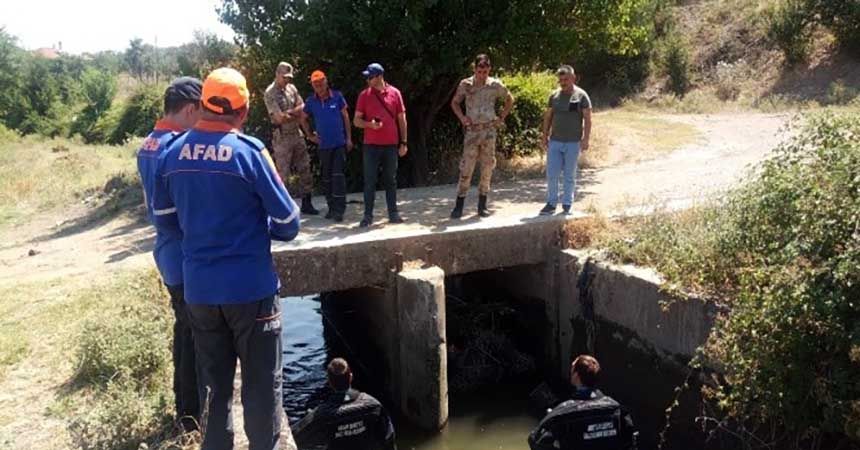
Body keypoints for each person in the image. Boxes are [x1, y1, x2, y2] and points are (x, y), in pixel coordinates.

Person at [152, 67, 300, 450]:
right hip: (252, 290)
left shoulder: (171, 153)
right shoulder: (249, 153)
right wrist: (252, 229)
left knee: (214, 388)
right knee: (261, 386)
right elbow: (287, 222)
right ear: (245, 110)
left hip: (199, 290)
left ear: (201, 106)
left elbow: (165, 222)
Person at [135, 76, 202, 431]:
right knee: (193, 339)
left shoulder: (149, 142)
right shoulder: (173, 148)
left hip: (166, 252)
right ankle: (190, 419)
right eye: (202, 112)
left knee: (184, 331)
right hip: (182, 253)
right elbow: (176, 209)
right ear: (190, 109)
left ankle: (185, 411)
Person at [449, 54, 515, 219]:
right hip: (472, 131)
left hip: (489, 131)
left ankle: (482, 205)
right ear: (475, 69)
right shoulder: (466, 84)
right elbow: (455, 102)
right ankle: (459, 205)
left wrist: (501, 118)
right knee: (467, 168)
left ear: (489, 70)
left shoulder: (494, 84)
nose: (482, 75)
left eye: (485, 71)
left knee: (487, 167)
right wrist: (462, 118)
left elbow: (509, 99)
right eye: (479, 71)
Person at [528, 355, 637, 450]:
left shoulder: (563, 413)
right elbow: (630, 443)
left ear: (576, 376)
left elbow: (535, 440)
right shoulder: (617, 409)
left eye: (572, 368)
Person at [293, 358, 397, 450]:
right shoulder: (373, 405)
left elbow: (295, 436)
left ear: (329, 382)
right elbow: (389, 436)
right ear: (351, 377)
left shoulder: (321, 414)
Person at [353, 63, 407, 228]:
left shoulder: (395, 93)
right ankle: (367, 216)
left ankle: (393, 213)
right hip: (371, 146)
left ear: (379, 77)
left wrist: (403, 142)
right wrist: (370, 125)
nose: (367, 80)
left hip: (390, 145)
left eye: (370, 77)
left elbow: (402, 119)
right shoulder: (364, 95)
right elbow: (356, 121)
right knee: (370, 181)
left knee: (390, 180)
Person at [264, 62, 319, 215]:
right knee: (283, 174)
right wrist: (294, 112)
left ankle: (307, 203)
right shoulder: (270, 93)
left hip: (297, 133)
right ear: (277, 74)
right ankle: (283, 208)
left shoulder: (292, 89)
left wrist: (290, 113)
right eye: (284, 77)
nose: (287, 80)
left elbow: (303, 107)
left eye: (289, 77)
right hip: (282, 137)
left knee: (305, 168)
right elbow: (279, 118)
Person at [299, 70, 353, 222]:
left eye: (321, 82)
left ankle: (339, 210)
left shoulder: (337, 96)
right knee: (327, 178)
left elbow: (346, 117)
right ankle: (331, 208)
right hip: (324, 146)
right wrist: (310, 135)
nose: (319, 86)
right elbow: (303, 118)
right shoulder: (310, 101)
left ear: (326, 81)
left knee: (338, 177)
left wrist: (348, 138)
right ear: (313, 86)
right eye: (315, 84)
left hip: (339, 144)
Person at [539, 65, 592, 216]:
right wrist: (544, 137)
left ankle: (567, 204)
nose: (563, 82)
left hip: (573, 142)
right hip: (555, 141)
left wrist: (586, 139)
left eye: (566, 79)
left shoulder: (582, 96)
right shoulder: (554, 96)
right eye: (561, 79)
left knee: (569, 175)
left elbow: (588, 119)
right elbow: (548, 117)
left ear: (573, 78)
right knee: (552, 174)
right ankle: (551, 203)